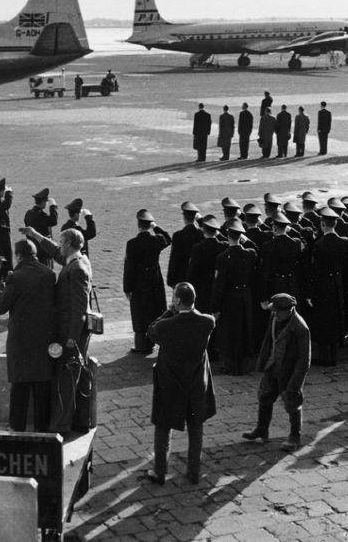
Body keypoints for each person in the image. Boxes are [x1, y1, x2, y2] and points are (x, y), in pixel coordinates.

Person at [20, 226, 93, 433]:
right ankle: (80, 421)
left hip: (72, 331)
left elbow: (79, 306)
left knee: (67, 378)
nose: (59, 246)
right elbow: (54, 251)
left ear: (69, 245)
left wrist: (71, 337)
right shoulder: (78, 260)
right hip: (75, 330)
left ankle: (62, 426)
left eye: (62, 243)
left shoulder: (77, 269)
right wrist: (36, 235)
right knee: (79, 373)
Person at [144, 282, 217, 485]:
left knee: (163, 427)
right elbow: (201, 317)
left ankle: (159, 472)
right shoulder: (207, 322)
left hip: (171, 384)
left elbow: (151, 330)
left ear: (176, 300)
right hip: (195, 384)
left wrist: (169, 311)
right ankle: (193, 472)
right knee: (196, 428)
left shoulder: (165, 326)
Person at [0, 239, 58, 433]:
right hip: (44, 339)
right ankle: (42, 431)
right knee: (42, 389)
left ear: (18, 255)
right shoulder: (49, 274)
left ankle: (17, 430)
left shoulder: (16, 277)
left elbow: (1, 307)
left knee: (19, 388)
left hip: (20, 341)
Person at [241, 293, 310, 451]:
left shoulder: (300, 328)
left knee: (292, 402)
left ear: (288, 310)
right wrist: (264, 363)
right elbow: (269, 341)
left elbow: (304, 360)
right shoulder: (275, 318)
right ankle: (262, 429)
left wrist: (295, 383)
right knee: (265, 397)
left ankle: (294, 436)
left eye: (277, 311)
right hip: (272, 366)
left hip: (289, 371)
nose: (274, 313)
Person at [209, 219, 257, 375]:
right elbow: (255, 249)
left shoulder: (222, 257)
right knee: (245, 328)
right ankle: (245, 364)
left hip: (230, 298)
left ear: (228, 236)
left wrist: (215, 307)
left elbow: (219, 285)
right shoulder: (250, 254)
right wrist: (246, 239)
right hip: (245, 296)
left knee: (230, 332)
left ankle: (231, 365)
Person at [305, 207, 348, 366]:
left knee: (324, 319)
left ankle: (324, 356)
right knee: (337, 317)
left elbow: (316, 271)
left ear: (323, 224)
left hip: (323, 284)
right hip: (337, 282)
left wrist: (310, 293)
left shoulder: (319, 245)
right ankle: (334, 355)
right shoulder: (344, 242)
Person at [124, 209, 171, 355]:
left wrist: (127, 288)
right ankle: (156, 340)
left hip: (138, 282)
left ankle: (141, 345)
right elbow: (168, 238)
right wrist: (155, 227)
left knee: (139, 313)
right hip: (154, 280)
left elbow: (129, 267)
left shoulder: (132, 243)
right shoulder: (156, 240)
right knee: (155, 309)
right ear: (148, 225)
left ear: (138, 225)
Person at [166, 201, 203, 288]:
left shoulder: (178, 236)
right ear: (195, 217)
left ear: (184, 217)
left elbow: (174, 259)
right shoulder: (202, 234)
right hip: (199, 278)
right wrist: (201, 220)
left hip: (182, 279)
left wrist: (170, 281)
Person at [24, 188, 59, 268]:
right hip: (43, 250)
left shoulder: (28, 213)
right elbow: (53, 221)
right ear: (43, 202)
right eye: (46, 202)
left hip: (32, 248)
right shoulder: (40, 215)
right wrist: (53, 207)